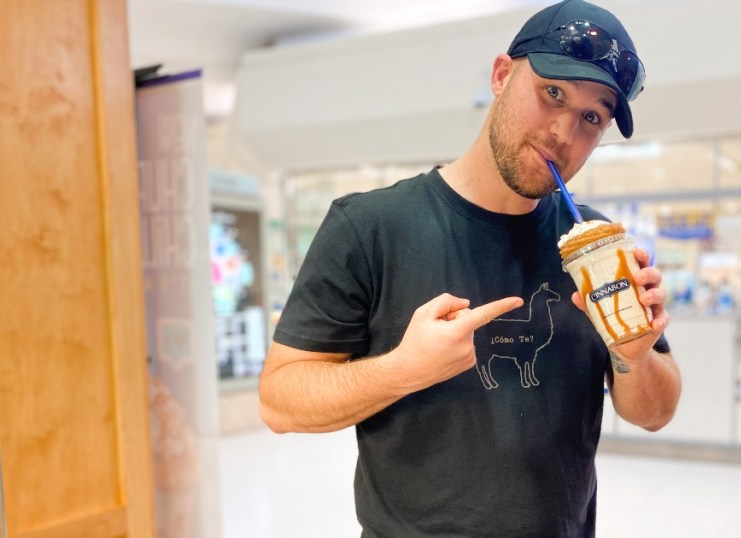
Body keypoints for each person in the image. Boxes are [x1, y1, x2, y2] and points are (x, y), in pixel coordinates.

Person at [258, 1, 682, 536]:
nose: (563, 132)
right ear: (502, 75)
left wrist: (634, 354)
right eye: (553, 92)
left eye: (591, 118)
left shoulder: (597, 248)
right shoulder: (368, 226)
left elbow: (654, 412)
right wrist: (401, 370)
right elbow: (279, 401)